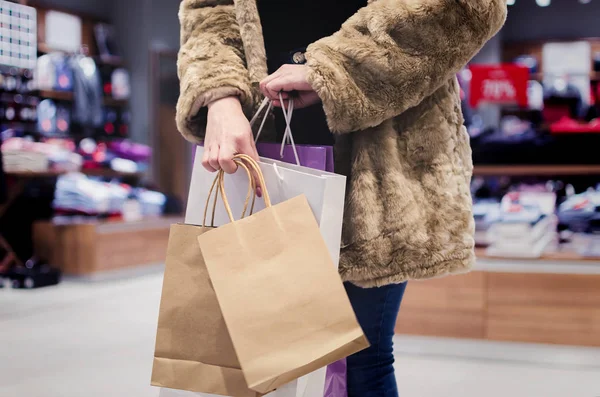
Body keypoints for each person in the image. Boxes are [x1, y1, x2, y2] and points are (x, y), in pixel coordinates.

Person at [176, 1, 506, 396]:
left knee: (361, 360)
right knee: (255, 354)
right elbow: (208, 12)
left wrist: (337, 68)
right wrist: (219, 96)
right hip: (255, 144)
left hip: (378, 158)